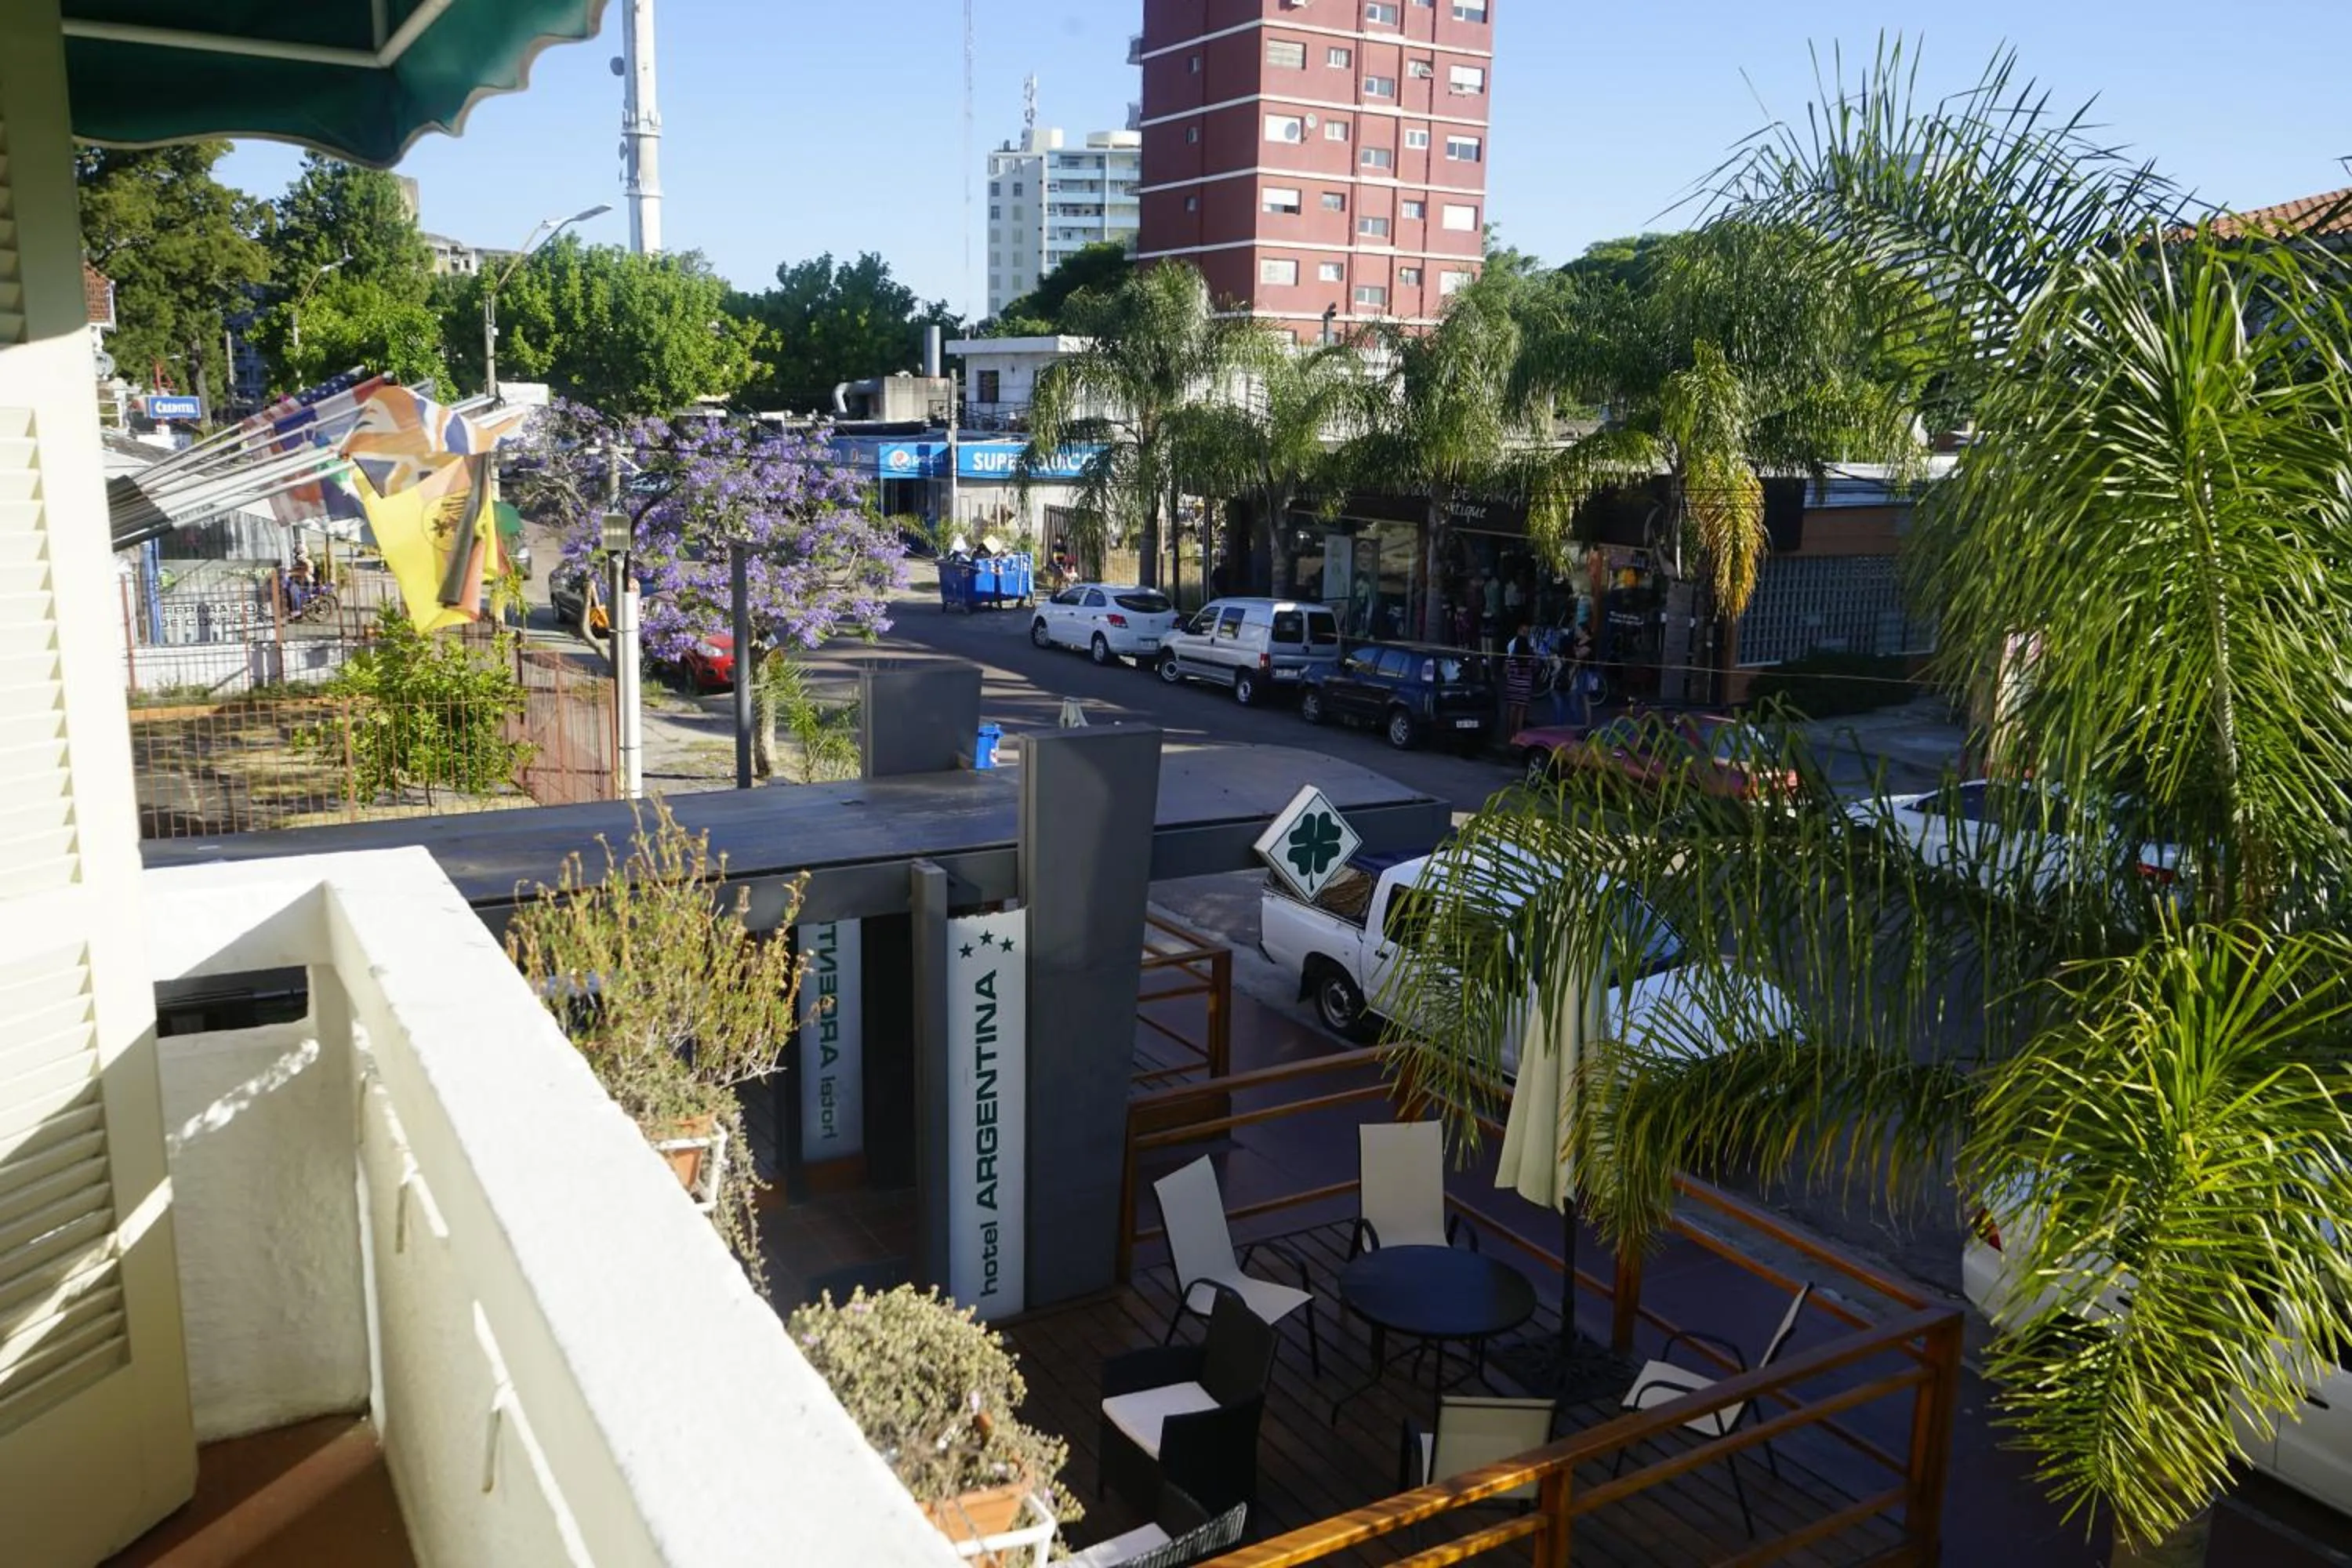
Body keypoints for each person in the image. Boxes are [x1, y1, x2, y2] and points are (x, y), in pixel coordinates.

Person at [1503, 618, 1538, 737]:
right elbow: (1535, 669)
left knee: (1512, 711)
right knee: (1521, 713)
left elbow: (1505, 670)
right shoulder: (1531, 658)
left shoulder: (1512, 658)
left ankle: (1509, 734)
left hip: (1513, 686)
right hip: (1525, 688)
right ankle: (1519, 736)